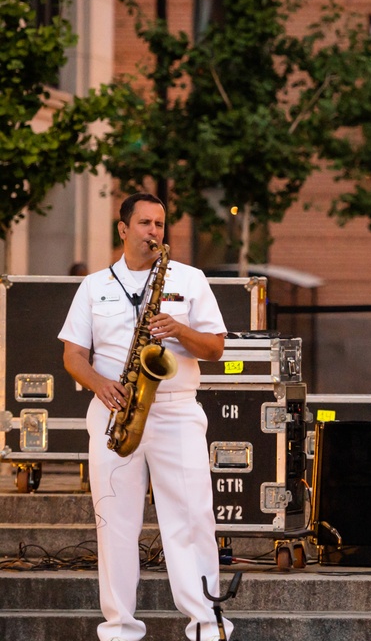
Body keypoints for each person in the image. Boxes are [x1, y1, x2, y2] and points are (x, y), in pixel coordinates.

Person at [59, 193, 231, 641]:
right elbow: (73, 355)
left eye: (159, 223)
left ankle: (207, 625)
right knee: (114, 521)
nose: (154, 231)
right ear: (123, 228)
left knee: (192, 519)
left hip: (175, 411)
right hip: (115, 411)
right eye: (144, 223)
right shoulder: (94, 285)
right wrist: (100, 384)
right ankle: (119, 628)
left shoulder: (189, 279)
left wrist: (180, 329)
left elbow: (215, 348)